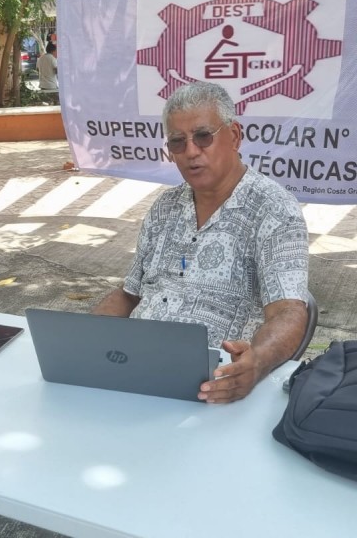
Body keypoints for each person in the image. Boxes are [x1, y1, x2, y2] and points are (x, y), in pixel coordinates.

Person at [92, 81, 309, 404]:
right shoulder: (164, 207)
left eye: (203, 137)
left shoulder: (274, 210)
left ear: (234, 136)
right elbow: (129, 294)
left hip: (213, 386)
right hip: (134, 369)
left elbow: (289, 311)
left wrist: (257, 363)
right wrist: (83, 343)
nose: (191, 151)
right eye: (178, 142)